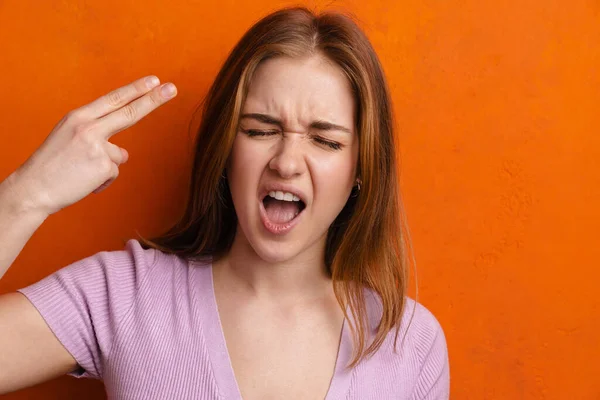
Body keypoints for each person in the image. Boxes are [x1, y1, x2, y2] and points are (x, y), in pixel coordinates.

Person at [0, 6, 449, 399]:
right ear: (225, 150)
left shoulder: (411, 344)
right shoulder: (126, 295)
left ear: (361, 170)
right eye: (259, 130)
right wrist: (26, 196)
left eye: (324, 140)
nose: (287, 162)